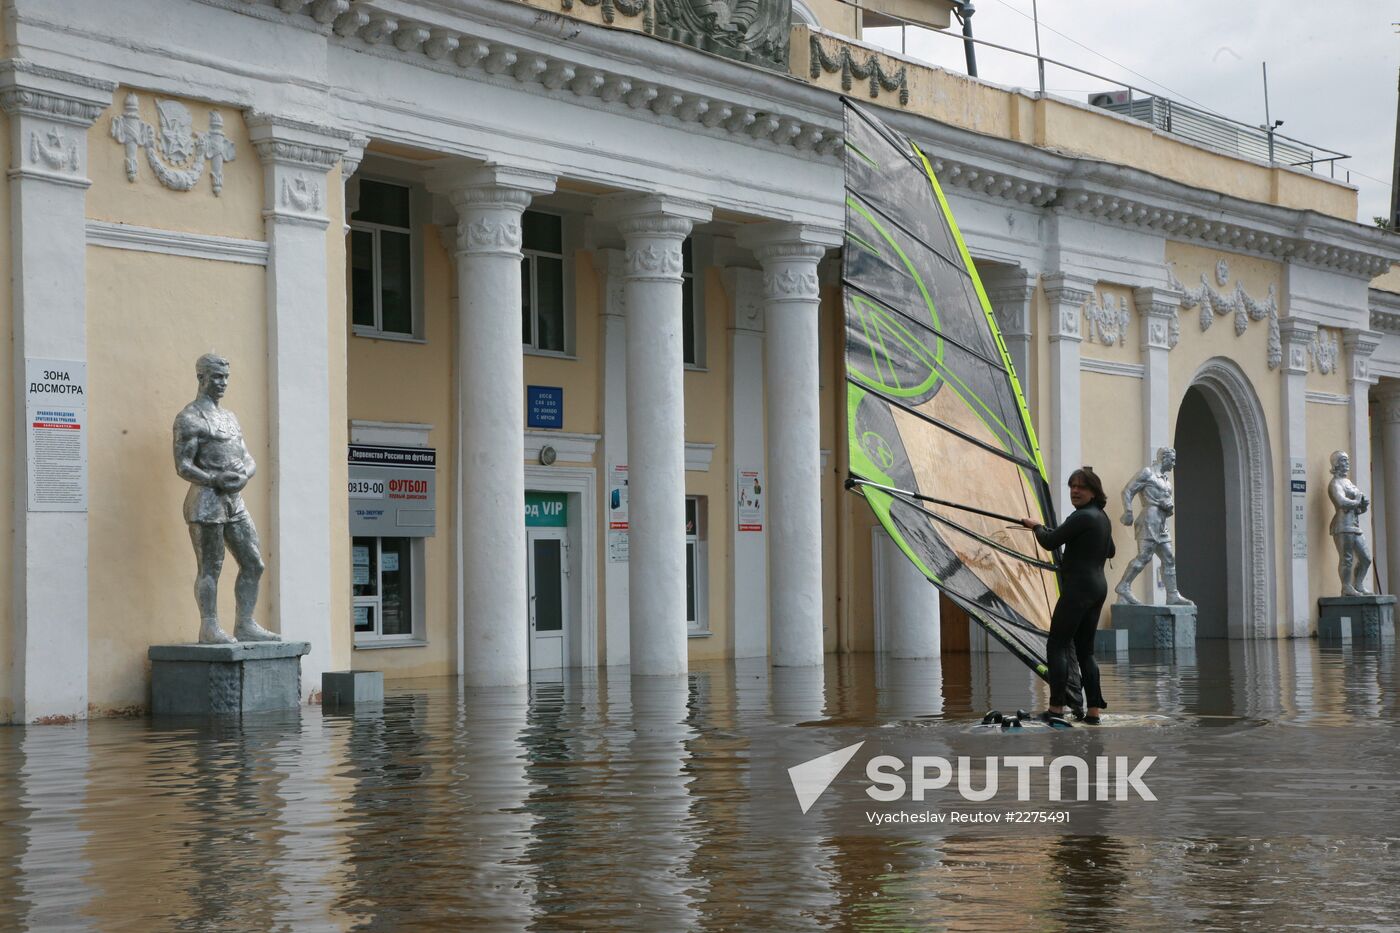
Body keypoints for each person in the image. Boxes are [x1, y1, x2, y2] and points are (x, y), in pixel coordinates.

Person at [172, 353, 278, 645]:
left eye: (226, 377)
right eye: (217, 377)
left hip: (234, 501)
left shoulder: (230, 418)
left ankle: (244, 624)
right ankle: (209, 627)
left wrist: (245, 476)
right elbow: (183, 465)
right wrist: (214, 479)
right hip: (206, 502)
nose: (223, 383)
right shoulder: (190, 418)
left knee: (254, 563)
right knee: (211, 567)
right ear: (201, 377)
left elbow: (248, 459)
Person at [1019, 467, 1115, 725]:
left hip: (1078, 588)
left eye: (1081, 487)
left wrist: (1037, 526)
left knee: (1057, 644)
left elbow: (1049, 542)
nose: (1075, 490)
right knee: (1086, 651)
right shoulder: (1102, 517)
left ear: (1093, 492)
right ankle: (1094, 711)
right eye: (1072, 486)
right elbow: (1111, 550)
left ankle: (1056, 709)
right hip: (1097, 587)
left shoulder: (1082, 516)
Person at [1114, 446, 1193, 607]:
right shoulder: (1148, 473)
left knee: (1169, 558)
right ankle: (1124, 586)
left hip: (1162, 522)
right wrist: (1128, 511)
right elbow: (1128, 490)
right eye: (1172, 460)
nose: (1174, 464)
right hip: (1149, 519)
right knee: (1144, 556)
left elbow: (1164, 502)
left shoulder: (1166, 481)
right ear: (1164, 458)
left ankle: (1172, 595)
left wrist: (1168, 507)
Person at [1327, 450, 1373, 596]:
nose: (1347, 464)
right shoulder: (1334, 483)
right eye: (1343, 460)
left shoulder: (1348, 482)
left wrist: (1363, 505)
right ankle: (1346, 587)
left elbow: (1356, 506)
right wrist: (1357, 501)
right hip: (1342, 526)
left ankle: (1358, 584)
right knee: (1346, 558)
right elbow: (1341, 502)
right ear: (1336, 464)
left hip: (1354, 525)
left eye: (1347, 460)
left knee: (1366, 558)